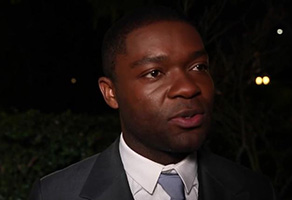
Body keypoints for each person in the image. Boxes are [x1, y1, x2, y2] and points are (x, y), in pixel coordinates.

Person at [29, 6, 276, 200]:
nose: (189, 87)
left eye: (199, 67)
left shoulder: (253, 189)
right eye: (155, 73)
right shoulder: (56, 194)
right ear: (110, 92)